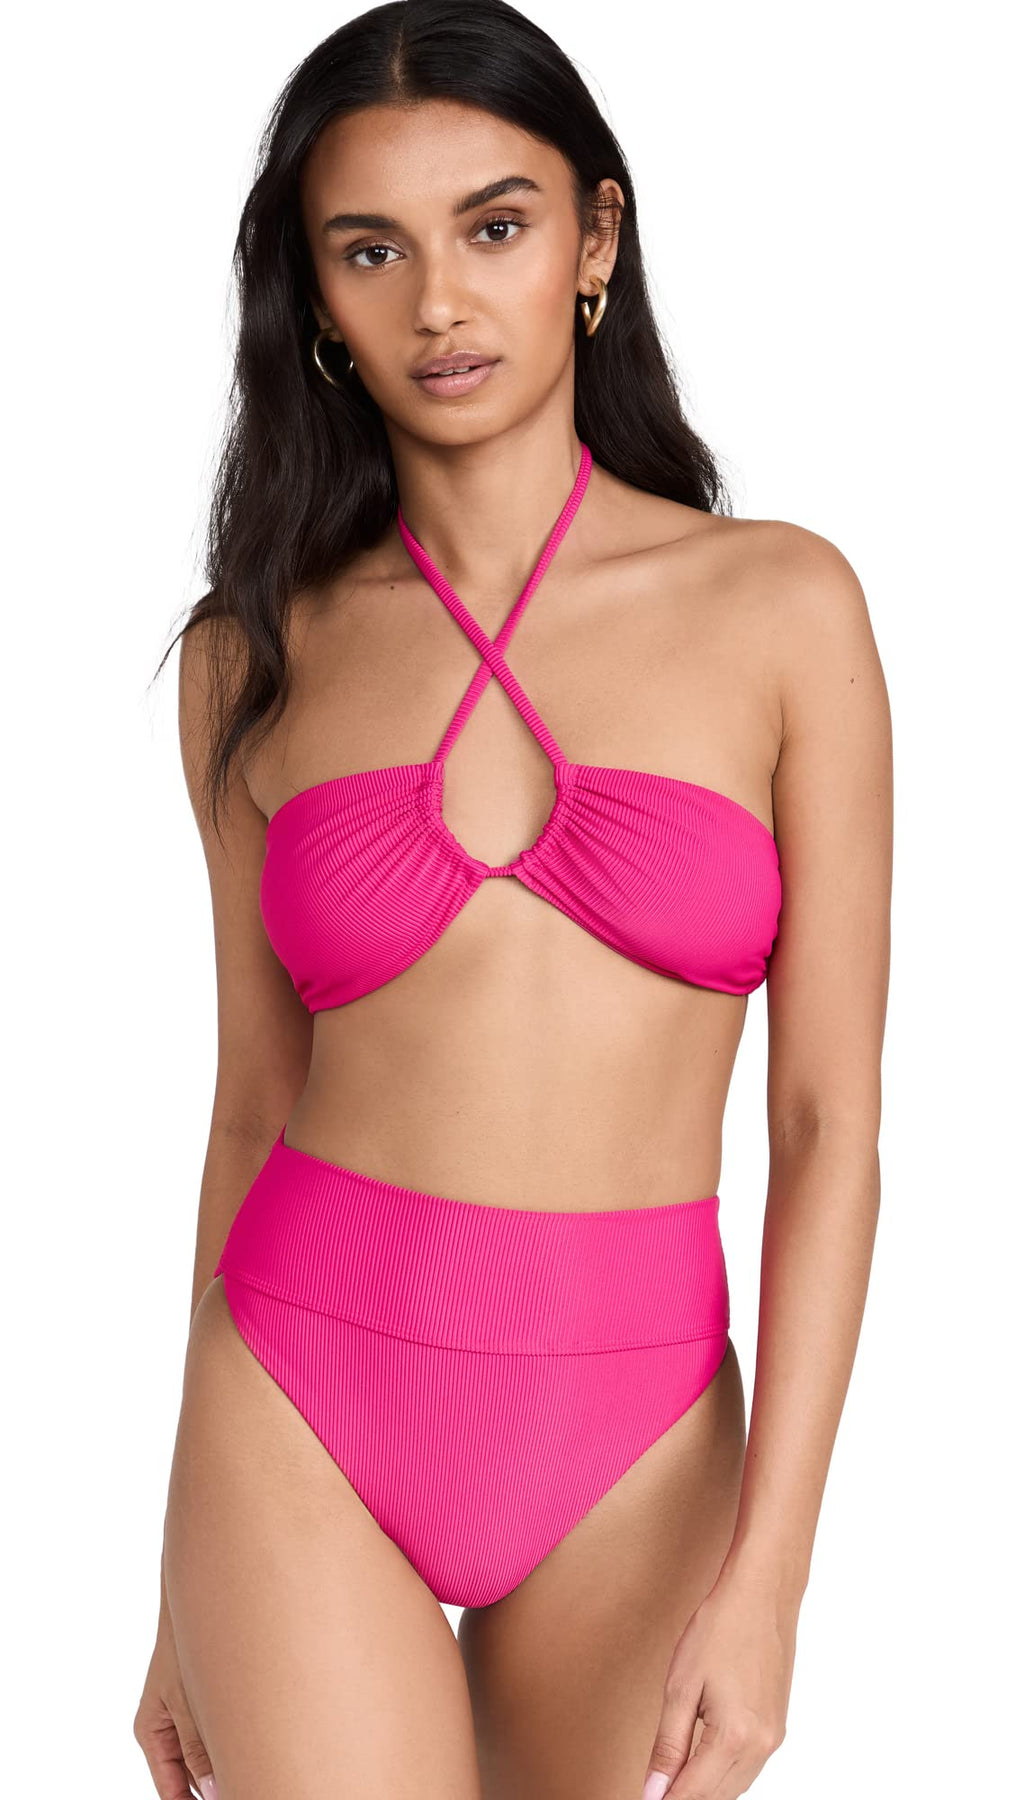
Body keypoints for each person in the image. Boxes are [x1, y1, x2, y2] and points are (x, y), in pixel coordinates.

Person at [134, 5, 893, 1797]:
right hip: (296, 1396)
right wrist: (180, 1585)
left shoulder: (783, 607)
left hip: (636, 1423)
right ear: (318, 302)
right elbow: (250, 1104)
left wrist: (774, 1579)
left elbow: (828, 1126)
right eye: (370, 250)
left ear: (596, 240)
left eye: (495, 225)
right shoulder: (255, 653)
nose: (439, 304)